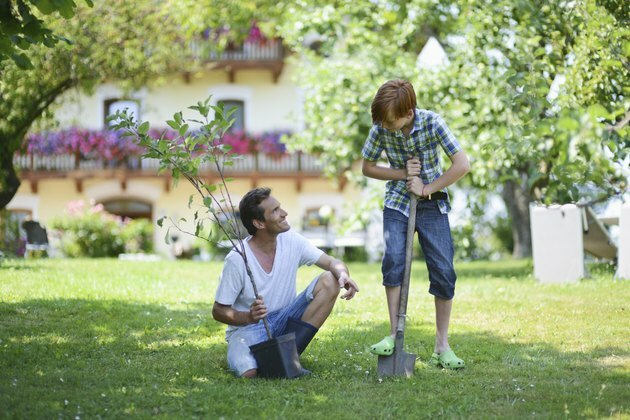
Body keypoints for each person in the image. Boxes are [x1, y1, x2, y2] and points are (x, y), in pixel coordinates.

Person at [361, 79, 470, 369]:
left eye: (389, 121)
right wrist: (401, 174)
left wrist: (426, 187)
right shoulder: (381, 128)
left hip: (433, 204)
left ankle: (442, 346)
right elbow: (367, 167)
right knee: (394, 259)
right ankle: (394, 335)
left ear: (408, 113)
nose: (384, 126)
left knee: (444, 271)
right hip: (397, 202)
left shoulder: (434, 123)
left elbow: (462, 165)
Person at [212, 187, 360, 378]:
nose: (284, 213)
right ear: (259, 223)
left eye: (279, 208)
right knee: (249, 373)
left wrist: (343, 275)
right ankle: (277, 361)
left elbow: (331, 262)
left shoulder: (290, 240)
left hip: (286, 319)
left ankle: (287, 359)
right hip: (250, 329)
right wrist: (248, 316)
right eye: (275, 211)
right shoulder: (237, 259)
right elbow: (218, 310)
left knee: (330, 279)